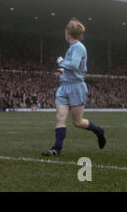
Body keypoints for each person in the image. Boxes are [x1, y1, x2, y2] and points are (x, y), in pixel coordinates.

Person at [42, 18, 106, 156]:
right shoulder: (73, 47)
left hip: (76, 87)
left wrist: (61, 62)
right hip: (65, 86)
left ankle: (99, 130)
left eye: (65, 31)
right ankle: (57, 149)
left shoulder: (78, 47)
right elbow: (75, 68)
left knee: (77, 122)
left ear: (68, 33)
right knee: (60, 117)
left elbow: (74, 65)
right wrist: (63, 71)